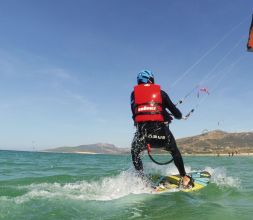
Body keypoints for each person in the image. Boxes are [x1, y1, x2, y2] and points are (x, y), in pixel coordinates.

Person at [130, 70, 192, 187]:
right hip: (162, 136)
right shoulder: (161, 93)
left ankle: (142, 181)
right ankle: (184, 178)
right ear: (151, 80)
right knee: (174, 151)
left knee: (134, 152)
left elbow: (140, 113)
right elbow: (178, 115)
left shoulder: (133, 95)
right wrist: (168, 115)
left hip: (143, 137)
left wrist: (164, 114)